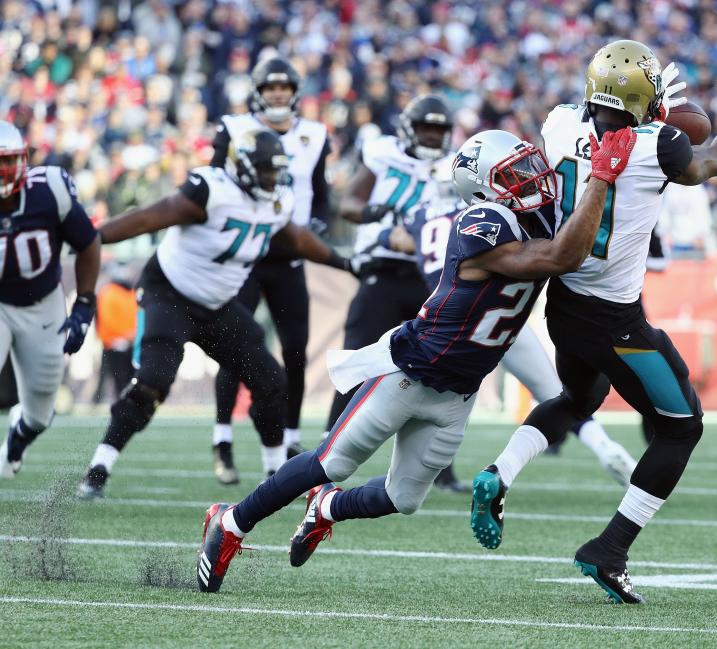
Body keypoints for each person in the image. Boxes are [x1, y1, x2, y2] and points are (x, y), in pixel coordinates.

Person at [194, 126, 638, 594]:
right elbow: (561, 256)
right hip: (408, 373)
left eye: (530, 164)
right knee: (330, 462)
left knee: (401, 498)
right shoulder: (481, 224)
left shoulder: (538, 214)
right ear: (486, 187)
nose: (533, 178)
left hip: (459, 394)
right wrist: (602, 178)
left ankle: (325, 509)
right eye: (517, 172)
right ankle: (231, 522)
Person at [469, 40, 717, 605]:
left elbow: (595, 127)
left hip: (565, 304)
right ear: (647, 98)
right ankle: (611, 549)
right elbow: (715, 160)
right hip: (615, 318)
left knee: (577, 400)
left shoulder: (556, 126)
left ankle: (500, 473)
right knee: (683, 426)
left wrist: (646, 109)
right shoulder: (661, 144)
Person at [77, 129, 357, 499]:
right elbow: (150, 218)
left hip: (218, 305)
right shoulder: (212, 190)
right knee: (153, 382)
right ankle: (99, 467)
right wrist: (93, 236)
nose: (273, 180)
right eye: (266, 172)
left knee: (272, 381)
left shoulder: (275, 202)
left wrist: (345, 262)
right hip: (171, 293)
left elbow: (298, 239)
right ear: (242, 168)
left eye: (277, 173)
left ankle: (275, 475)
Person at [383, 173, 636, 485]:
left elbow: (394, 239)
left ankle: (433, 474)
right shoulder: (482, 216)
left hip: (452, 328)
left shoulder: (419, 216)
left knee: (436, 400)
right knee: (554, 393)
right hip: (501, 320)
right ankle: (603, 445)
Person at [209, 56, 331, 485]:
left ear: (294, 91)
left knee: (295, 349)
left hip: (288, 257)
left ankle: (292, 438)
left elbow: (320, 193)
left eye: (284, 87)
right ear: (257, 92)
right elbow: (213, 182)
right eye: (270, 87)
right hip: (245, 255)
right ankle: (222, 438)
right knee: (232, 346)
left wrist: (316, 225)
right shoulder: (233, 128)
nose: (277, 94)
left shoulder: (314, 135)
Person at [326, 95, 454, 440]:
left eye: (438, 129)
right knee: (357, 357)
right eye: (424, 127)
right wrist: (376, 215)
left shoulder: (455, 167)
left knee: (435, 369)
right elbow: (350, 204)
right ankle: (328, 444)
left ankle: (435, 462)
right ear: (408, 128)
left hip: (430, 277)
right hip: (383, 271)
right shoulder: (383, 153)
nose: (431, 135)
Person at [0, 120, 101, 479]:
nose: (1, 172)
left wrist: (85, 305)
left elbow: (88, 242)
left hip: (42, 303)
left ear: (23, 161)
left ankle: (18, 436)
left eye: (7, 161)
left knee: (41, 413)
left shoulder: (49, 192)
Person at [92, 263, 138, 404]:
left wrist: (133, 335)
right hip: (114, 343)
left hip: (130, 343)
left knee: (128, 378)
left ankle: (126, 404)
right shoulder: (109, 292)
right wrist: (125, 335)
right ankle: (99, 402)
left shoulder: (130, 293)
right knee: (116, 378)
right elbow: (108, 321)